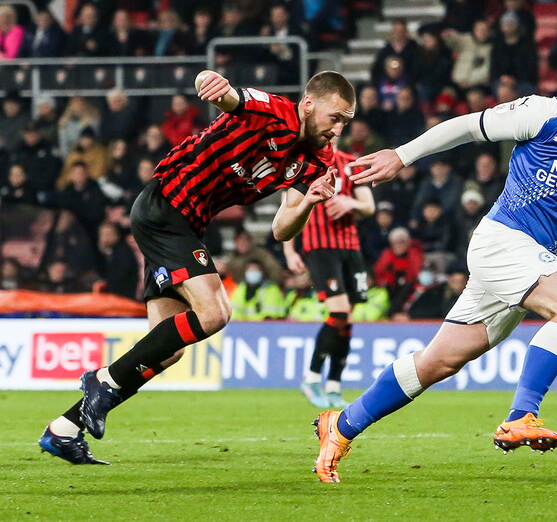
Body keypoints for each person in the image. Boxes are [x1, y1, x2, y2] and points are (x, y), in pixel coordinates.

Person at [310, 49, 557, 483]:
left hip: (530, 261)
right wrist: (402, 156)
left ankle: (341, 425)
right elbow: (467, 126)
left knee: (439, 361)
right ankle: (521, 415)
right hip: (501, 242)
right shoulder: (542, 114)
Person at [39, 69, 354, 465]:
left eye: (345, 122)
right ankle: (101, 380)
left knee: (165, 351)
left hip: (187, 224)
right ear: (308, 104)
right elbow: (229, 96)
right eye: (335, 117)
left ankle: (63, 430)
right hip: (166, 205)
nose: (338, 129)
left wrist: (308, 202)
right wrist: (210, 80)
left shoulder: (317, 159)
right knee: (215, 312)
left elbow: (281, 229)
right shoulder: (273, 111)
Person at [283, 143, 375, 409]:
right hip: (319, 247)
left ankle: (334, 385)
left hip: (350, 248)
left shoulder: (350, 163)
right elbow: (288, 208)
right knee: (339, 312)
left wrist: (350, 202)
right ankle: (312, 378)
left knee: (347, 319)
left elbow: (369, 206)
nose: (333, 129)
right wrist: (289, 251)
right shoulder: (302, 162)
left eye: (338, 124)